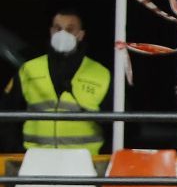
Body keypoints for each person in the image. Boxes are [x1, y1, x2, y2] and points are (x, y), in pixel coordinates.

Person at [0, 9, 110, 154]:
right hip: (35, 160)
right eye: (58, 28)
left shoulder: (100, 73)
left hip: (85, 163)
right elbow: (6, 113)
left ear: (81, 35)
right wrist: (16, 150)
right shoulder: (29, 70)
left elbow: (120, 124)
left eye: (70, 29)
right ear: (51, 31)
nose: (62, 34)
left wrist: (105, 155)